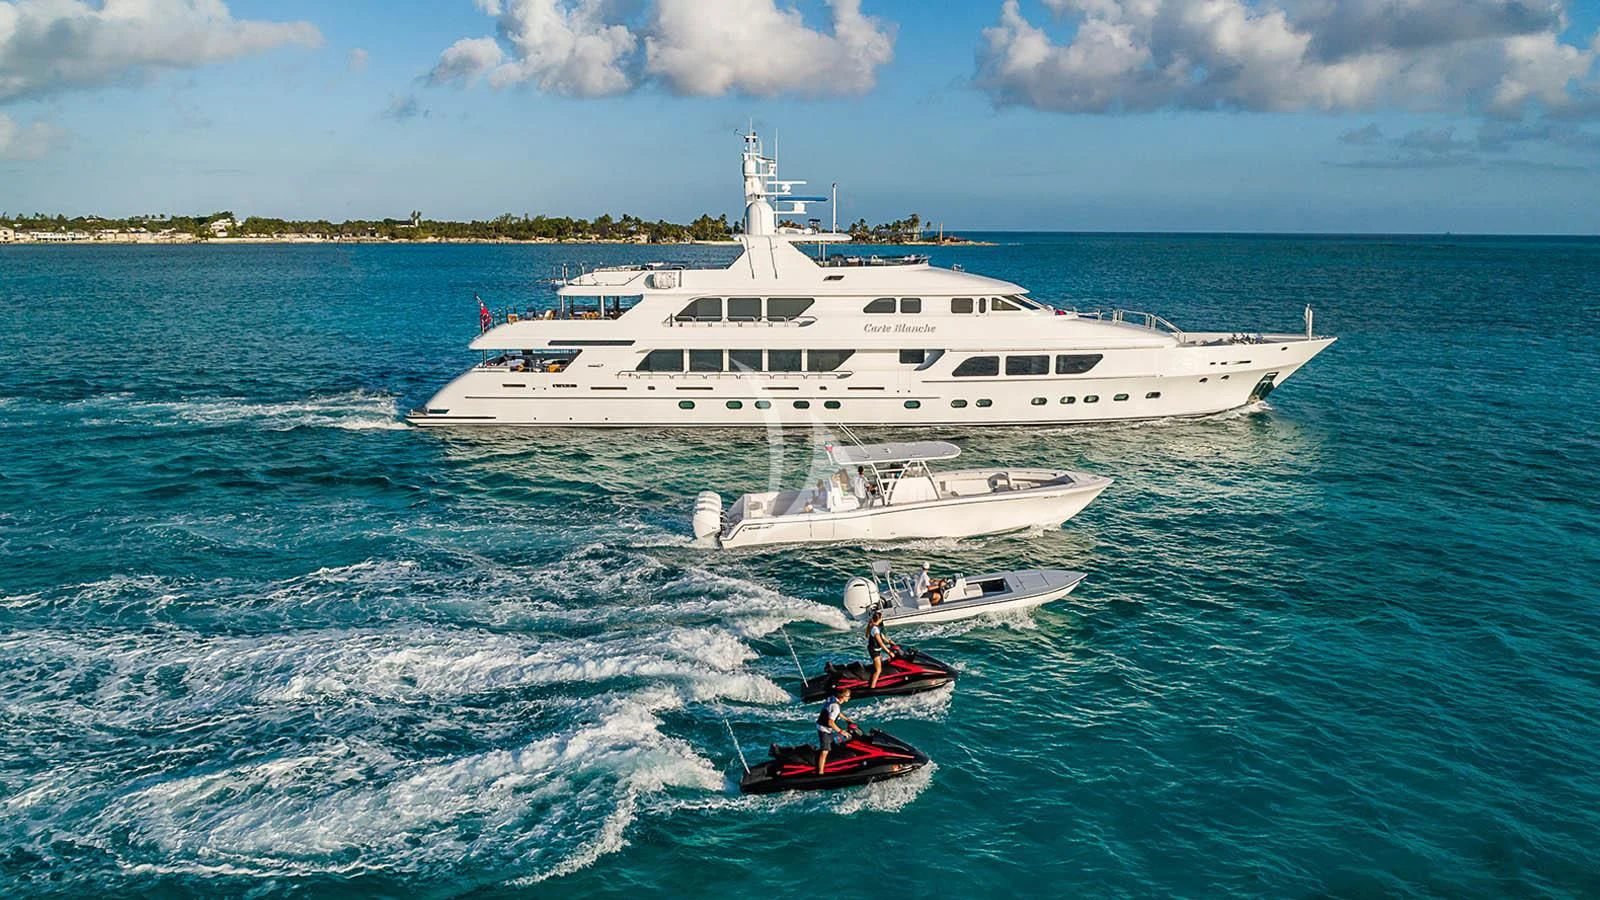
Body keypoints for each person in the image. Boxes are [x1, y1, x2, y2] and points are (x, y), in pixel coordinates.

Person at [815, 687, 856, 774]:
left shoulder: (833, 699)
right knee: (825, 751)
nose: (849, 697)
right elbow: (830, 722)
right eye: (848, 696)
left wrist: (847, 720)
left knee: (833, 745)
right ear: (842, 696)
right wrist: (841, 731)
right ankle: (820, 773)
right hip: (824, 728)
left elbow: (837, 713)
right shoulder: (835, 706)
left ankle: (829, 764)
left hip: (824, 727)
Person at [866, 611, 896, 689]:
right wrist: (889, 652)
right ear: (879, 619)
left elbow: (883, 638)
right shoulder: (875, 630)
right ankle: (872, 688)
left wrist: (889, 642)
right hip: (874, 651)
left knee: (880, 664)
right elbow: (881, 643)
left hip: (875, 650)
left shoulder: (875, 626)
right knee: (878, 670)